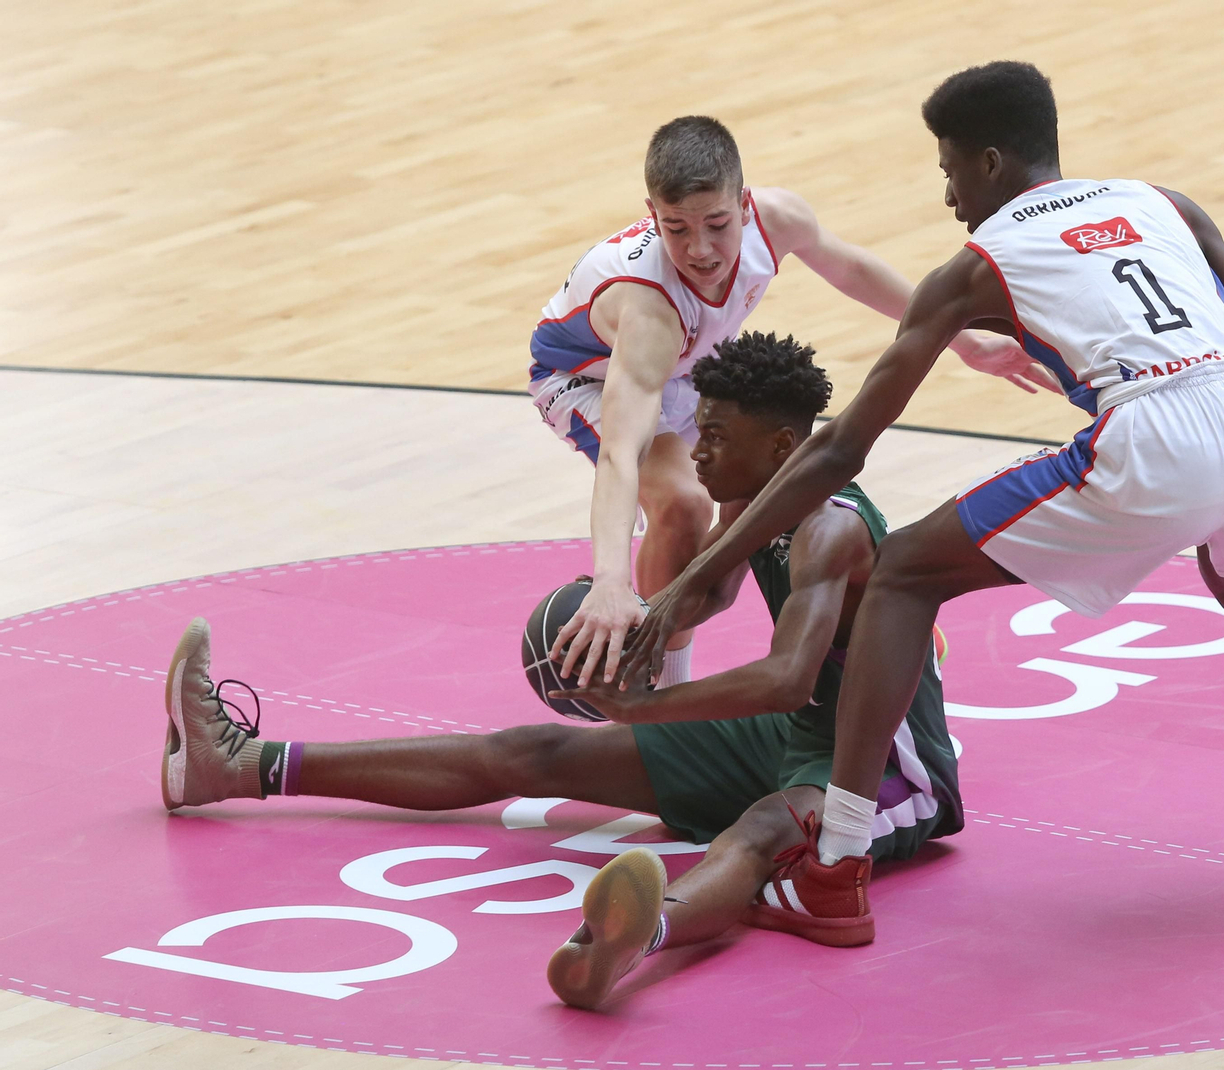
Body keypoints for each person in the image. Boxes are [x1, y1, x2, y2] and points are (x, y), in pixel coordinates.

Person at [627, 61, 1224, 931]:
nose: (950, 194)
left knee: (906, 569)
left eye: (951, 169)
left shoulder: (974, 266)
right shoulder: (1165, 205)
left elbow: (842, 446)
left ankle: (836, 864)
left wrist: (705, 570)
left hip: (1150, 430)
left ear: (990, 162)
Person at [158, 332, 962, 1009]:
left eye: (717, 436)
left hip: (882, 763)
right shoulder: (754, 495)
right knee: (532, 753)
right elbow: (712, 588)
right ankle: (237, 767)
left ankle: (627, 940)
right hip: (792, 734)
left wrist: (650, 705)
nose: (698, 449)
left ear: (782, 448)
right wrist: (623, 632)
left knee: (756, 834)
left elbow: (788, 676)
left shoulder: (832, 530)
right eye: (700, 430)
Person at [532, 115, 1057, 694]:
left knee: (790, 470)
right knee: (682, 501)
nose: (699, 248)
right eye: (675, 228)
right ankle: (659, 684)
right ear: (651, 213)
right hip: (585, 377)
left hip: (684, 370)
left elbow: (852, 268)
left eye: (716, 223)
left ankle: (866, 609)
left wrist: (966, 340)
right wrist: (610, 578)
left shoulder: (776, 218)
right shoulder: (648, 310)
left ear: (746, 203)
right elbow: (619, 456)